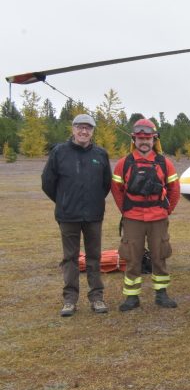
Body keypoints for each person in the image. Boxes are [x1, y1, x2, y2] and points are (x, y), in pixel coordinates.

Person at [42, 113, 112, 317]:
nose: (84, 131)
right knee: (70, 258)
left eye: (88, 128)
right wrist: (63, 200)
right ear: (72, 129)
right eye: (80, 127)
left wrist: (94, 201)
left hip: (93, 216)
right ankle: (70, 300)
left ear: (92, 131)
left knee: (94, 257)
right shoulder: (59, 152)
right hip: (68, 216)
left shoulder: (100, 154)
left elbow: (105, 184)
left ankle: (97, 297)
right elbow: (47, 182)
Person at [112, 118, 181, 311]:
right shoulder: (123, 164)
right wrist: (125, 211)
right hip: (132, 219)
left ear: (154, 140)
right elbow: (116, 189)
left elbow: (174, 189)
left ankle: (162, 294)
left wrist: (166, 210)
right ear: (134, 139)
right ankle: (132, 298)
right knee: (132, 258)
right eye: (140, 138)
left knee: (160, 256)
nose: (144, 142)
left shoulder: (164, 163)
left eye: (148, 138)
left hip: (158, 219)